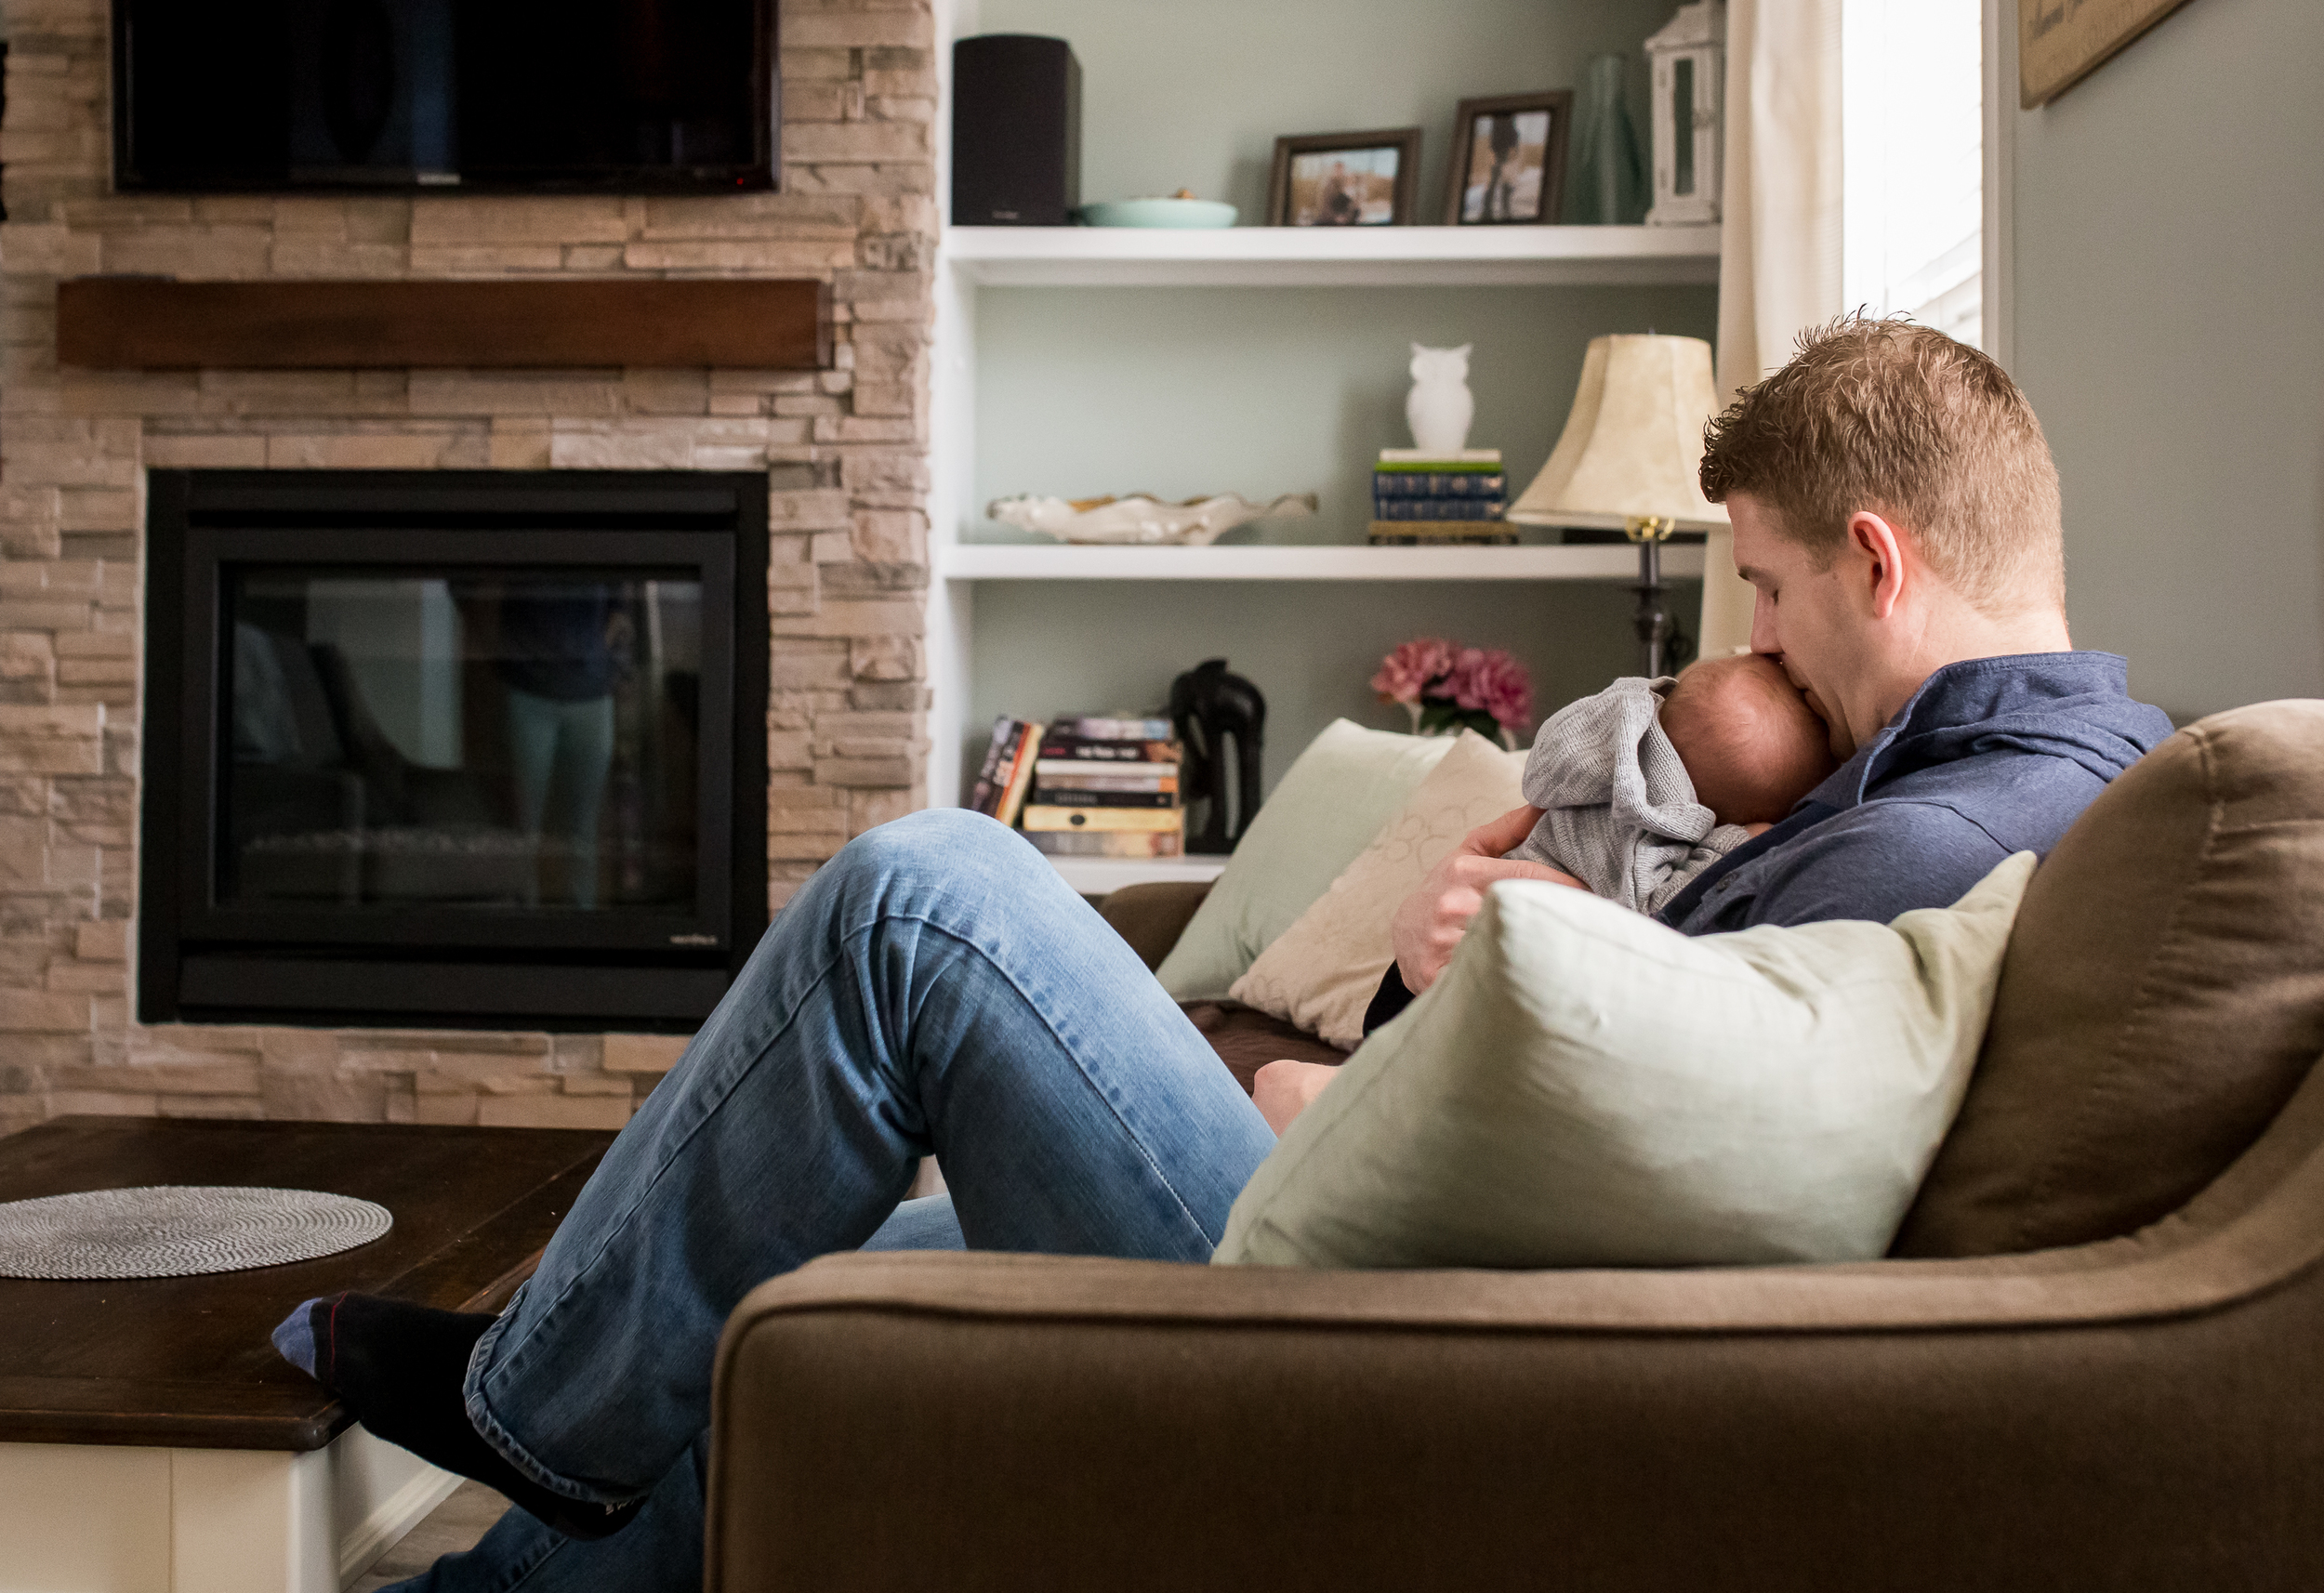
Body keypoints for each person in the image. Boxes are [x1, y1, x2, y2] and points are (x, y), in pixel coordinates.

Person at [272, 318, 2173, 1590]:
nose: (1753, 646)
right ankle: (501, 1562)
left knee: (929, 893)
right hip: (1412, 1249)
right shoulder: (2021, 782)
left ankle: (527, 1405)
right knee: (849, 1262)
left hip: (1402, 1342)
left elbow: (1624, 1164)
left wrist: (1390, 1043)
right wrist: (1502, 980)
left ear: (1875, 556)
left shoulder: (1937, 831)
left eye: (1761, 590)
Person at [1503, 652, 1836, 915]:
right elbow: (1650, 911)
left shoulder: (1608, 733)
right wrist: (1736, 843)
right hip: (1514, 915)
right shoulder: (1645, 833)